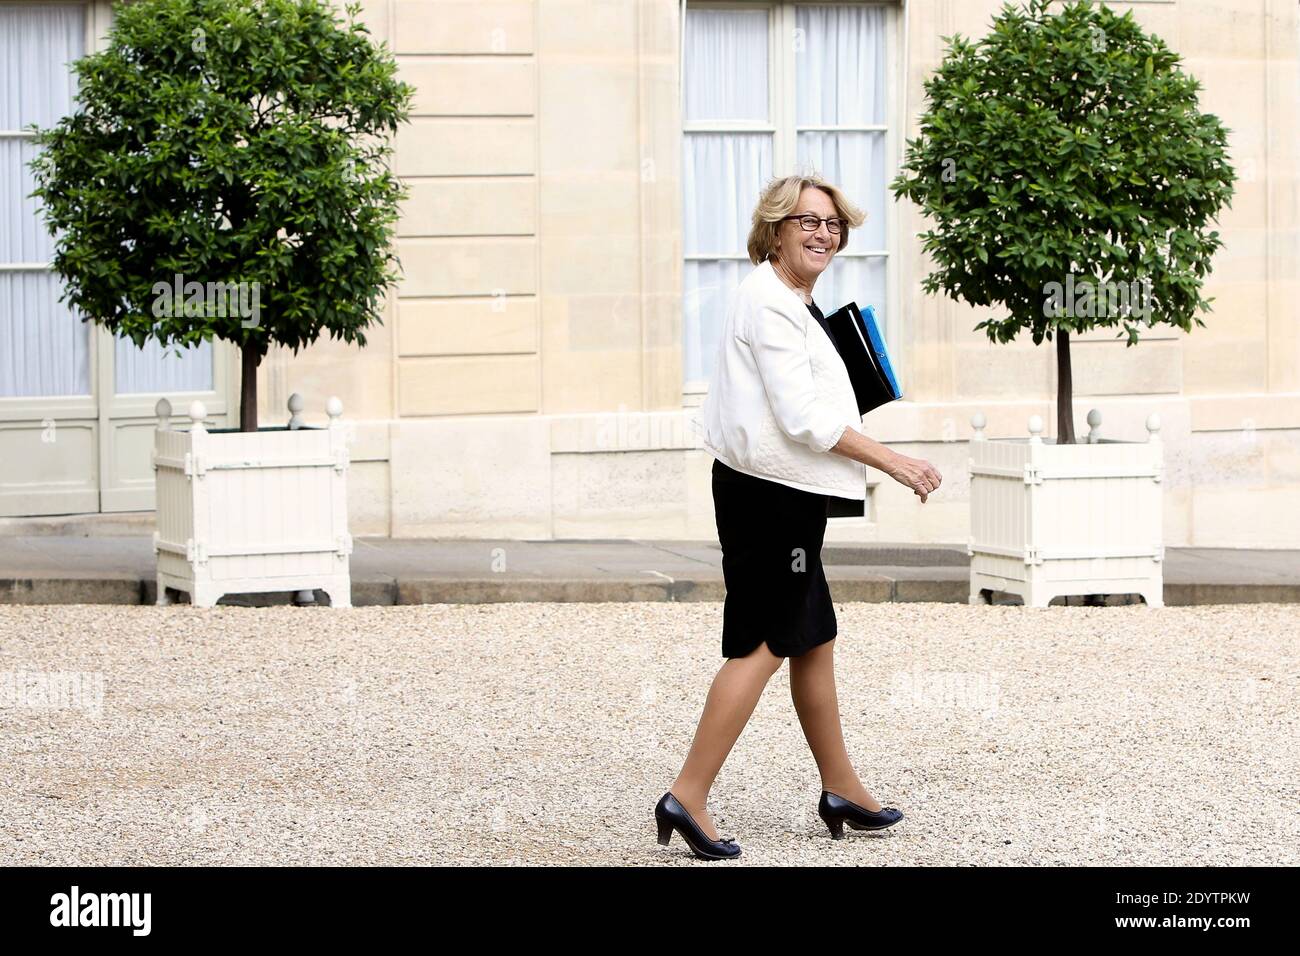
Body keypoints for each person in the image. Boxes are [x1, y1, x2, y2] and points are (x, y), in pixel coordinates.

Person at [655, 173, 943, 860]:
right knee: (764, 640)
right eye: (808, 221)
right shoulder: (771, 304)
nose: (823, 233)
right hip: (768, 497)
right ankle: (687, 795)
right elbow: (804, 418)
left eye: (833, 224)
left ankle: (840, 787)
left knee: (812, 634)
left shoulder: (789, 299)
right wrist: (894, 462)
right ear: (775, 230)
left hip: (782, 491)